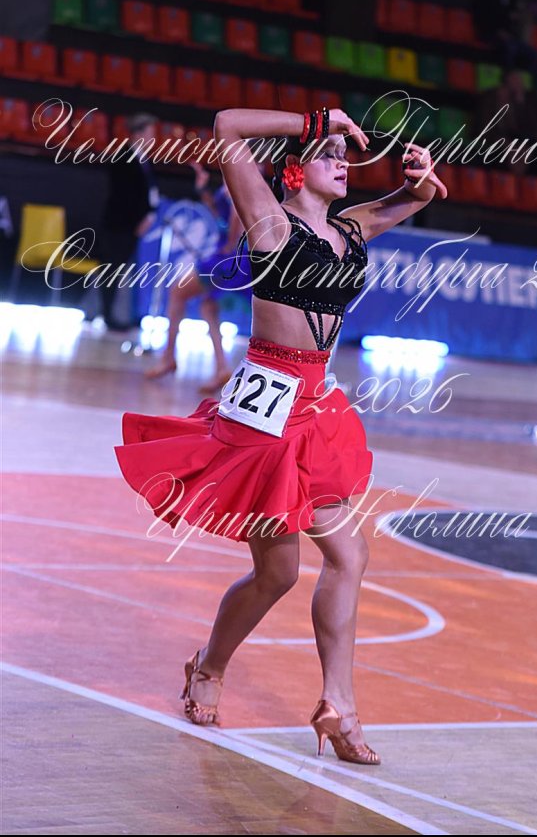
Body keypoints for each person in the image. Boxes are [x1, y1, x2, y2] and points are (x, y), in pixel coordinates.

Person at [114, 105, 447, 764]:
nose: (343, 164)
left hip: (316, 408)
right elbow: (226, 126)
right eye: (328, 154)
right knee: (278, 573)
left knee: (345, 556)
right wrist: (316, 120)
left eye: (346, 157)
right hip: (265, 415)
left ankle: (338, 705)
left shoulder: (351, 227)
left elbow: (416, 198)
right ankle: (209, 665)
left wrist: (420, 178)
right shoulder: (269, 220)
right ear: (295, 168)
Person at [145, 159, 247, 394]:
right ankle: (221, 367)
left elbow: (237, 215)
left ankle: (168, 358)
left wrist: (230, 245)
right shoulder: (235, 177)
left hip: (227, 259)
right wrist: (203, 190)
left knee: (177, 292)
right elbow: (222, 213)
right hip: (231, 257)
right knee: (208, 308)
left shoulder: (240, 175)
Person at [98, 112, 161, 330]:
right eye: (150, 133)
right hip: (119, 226)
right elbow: (123, 195)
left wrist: (150, 214)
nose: (153, 139)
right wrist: (138, 220)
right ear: (138, 133)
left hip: (134, 227)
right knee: (111, 270)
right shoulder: (122, 157)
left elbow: (149, 193)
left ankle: (125, 314)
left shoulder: (145, 160)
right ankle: (108, 316)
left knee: (128, 271)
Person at [472, 69, 537, 173]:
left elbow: (530, 127)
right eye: (513, 80)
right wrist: (504, 143)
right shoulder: (490, 98)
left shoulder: (526, 99)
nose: (517, 84)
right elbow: (484, 127)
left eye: (519, 81)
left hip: (521, 140)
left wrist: (520, 103)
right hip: (496, 140)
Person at [472, 0, 537, 75]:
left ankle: (523, 82)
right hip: (490, 33)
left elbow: (516, 12)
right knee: (510, 48)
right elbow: (485, 16)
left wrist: (526, 12)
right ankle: (507, 79)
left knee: (534, 55)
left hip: (509, 37)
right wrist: (499, 29)